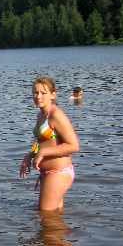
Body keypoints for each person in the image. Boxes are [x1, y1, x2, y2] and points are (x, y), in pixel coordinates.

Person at [19, 76, 79, 211]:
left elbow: (74, 145)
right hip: (48, 173)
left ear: (53, 95)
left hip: (58, 172)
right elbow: (42, 141)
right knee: (54, 217)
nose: (38, 96)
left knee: (46, 216)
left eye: (43, 93)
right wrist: (30, 155)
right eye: (35, 92)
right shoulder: (41, 115)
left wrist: (43, 153)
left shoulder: (56, 115)